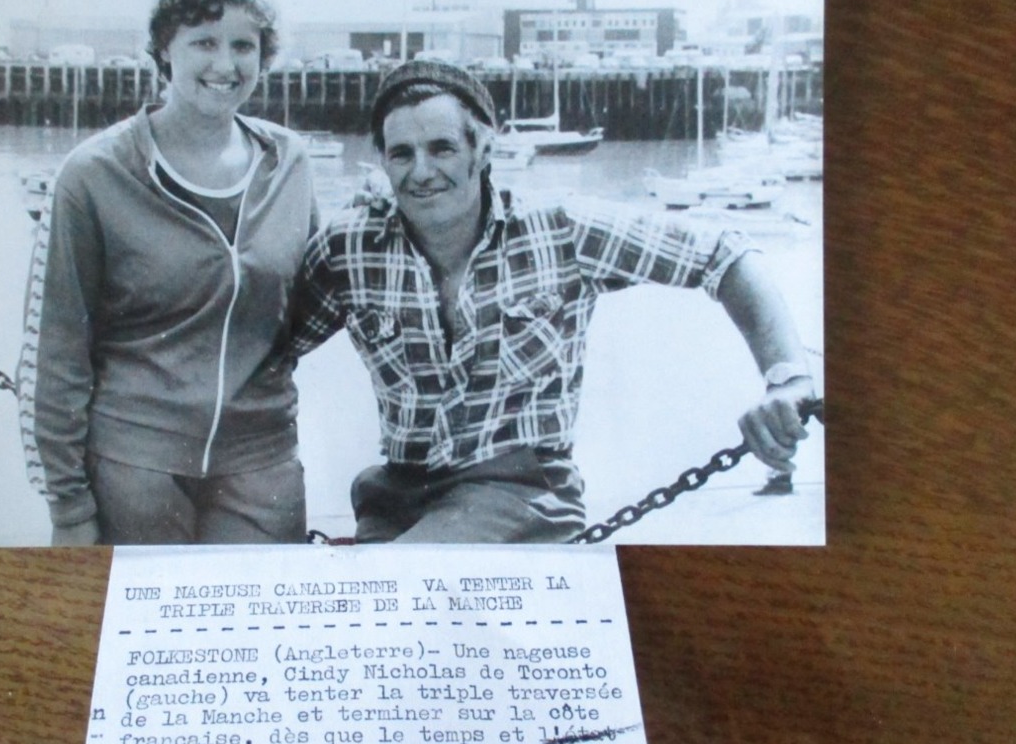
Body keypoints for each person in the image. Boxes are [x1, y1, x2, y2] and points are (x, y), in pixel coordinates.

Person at [290, 59, 817, 543]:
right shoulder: (350, 249)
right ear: (380, 159)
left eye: (442, 148)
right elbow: (263, 346)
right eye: (402, 153)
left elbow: (723, 256)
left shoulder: (560, 230)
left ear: (484, 150)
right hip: (396, 497)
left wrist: (787, 379)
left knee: (402, 585)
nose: (422, 171)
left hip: (525, 491)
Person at [22, 0, 317, 545]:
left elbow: (314, 303)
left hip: (262, 460)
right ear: (164, 51)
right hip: (135, 463)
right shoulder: (94, 174)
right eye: (203, 43)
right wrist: (68, 506)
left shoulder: (291, 163)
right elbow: (55, 353)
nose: (225, 65)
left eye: (243, 46)